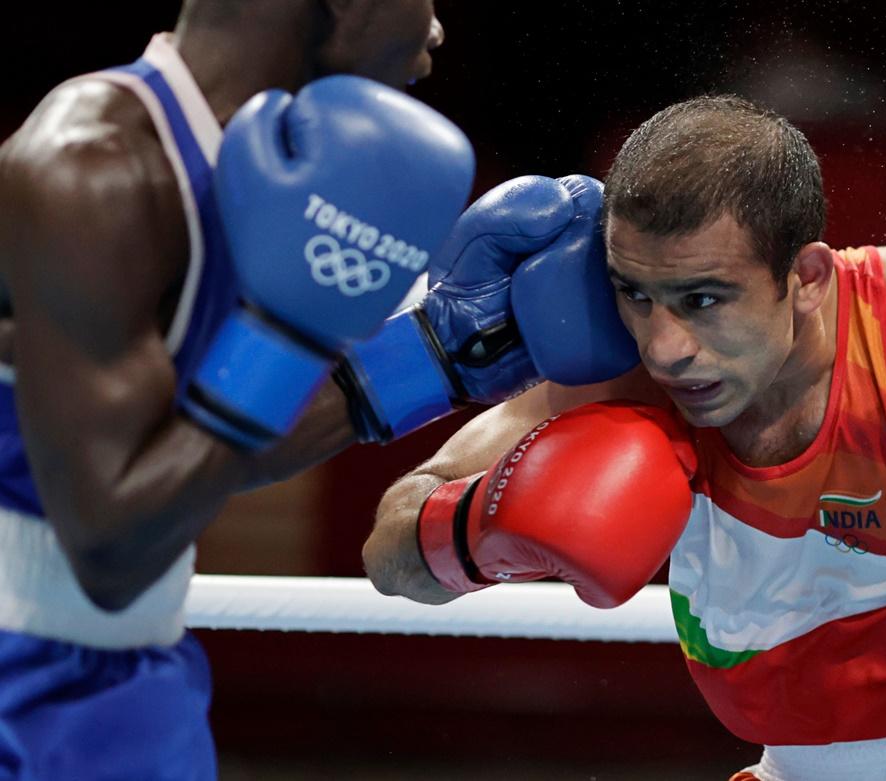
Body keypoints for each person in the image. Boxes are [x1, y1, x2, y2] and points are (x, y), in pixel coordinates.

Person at [363, 95, 886, 780]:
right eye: (635, 293)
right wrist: (477, 528)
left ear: (807, 277)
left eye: (704, 299)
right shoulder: (627, 370)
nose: (666, 343)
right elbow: (391, 544)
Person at [0, 1, 633, 777]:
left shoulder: (239, 172)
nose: (436, 30)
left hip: (132, 671)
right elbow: (110, 548)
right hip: (22, 683)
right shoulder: (93, 168)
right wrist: (291, 332)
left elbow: (194, 449)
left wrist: (438, 354)